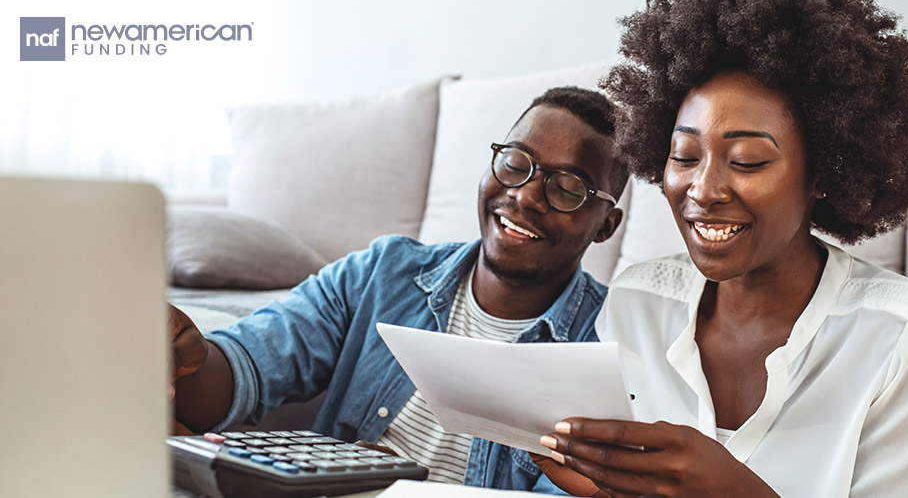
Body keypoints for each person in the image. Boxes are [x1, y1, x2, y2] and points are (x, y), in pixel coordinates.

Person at [535, 0, 908, 497]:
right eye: (685, 156)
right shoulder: (638, 301)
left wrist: (733, 490)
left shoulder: (902, 331)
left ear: (822, 171)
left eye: (748, 160)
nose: (703, 190)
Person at [168, 86, 629, 492]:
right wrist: (189, 358)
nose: (526, 195)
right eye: (515, 162)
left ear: (605, 225)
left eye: (567, 188)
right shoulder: (381, 273)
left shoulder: (613, 345)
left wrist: (404, 489)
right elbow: (246, 367)